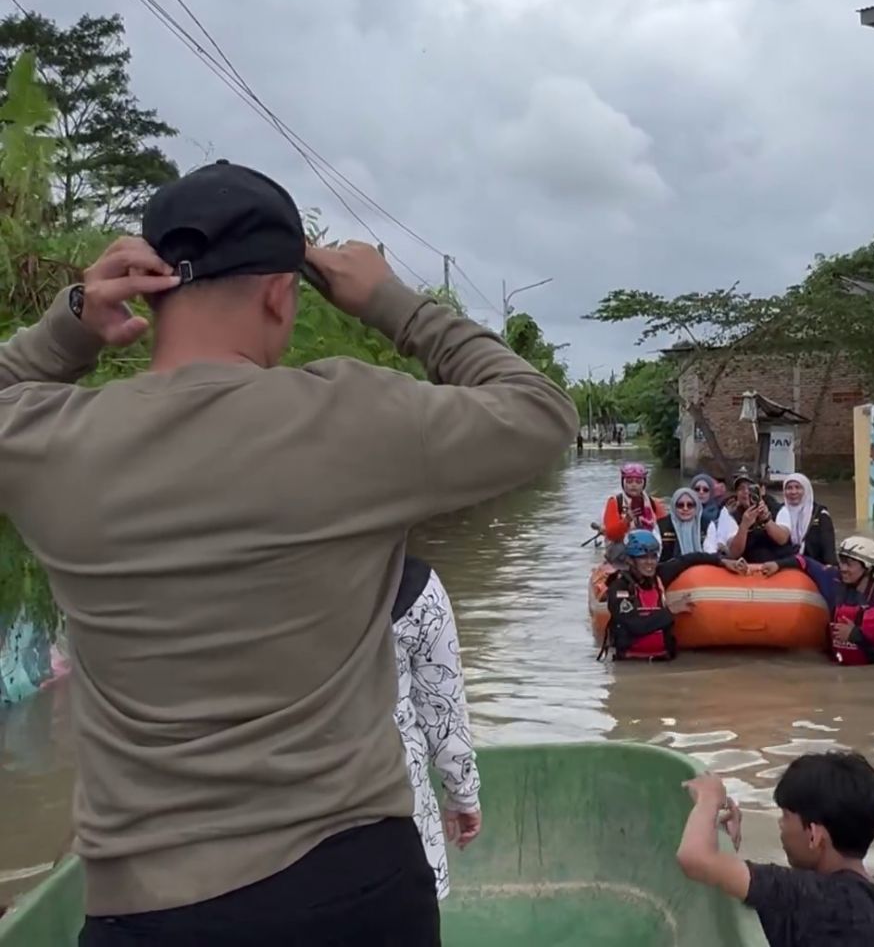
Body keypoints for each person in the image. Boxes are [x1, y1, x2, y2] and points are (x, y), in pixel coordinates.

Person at [0, 161, 578, 946]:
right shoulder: (354, 419)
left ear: (149, 290)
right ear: (281, 294)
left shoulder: (48, 442)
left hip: (148, 907)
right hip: (354, 887)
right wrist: (393, 303)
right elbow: (541, 413)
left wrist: (67, 326)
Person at [676, 752, 874, 946]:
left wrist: (710, 797)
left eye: (786, 816)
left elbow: (694, 858)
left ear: (814, 835)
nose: (780, 825)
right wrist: (727, 852)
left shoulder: (804, 898)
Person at [390, 557, 481, 900]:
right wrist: (463, 793)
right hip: (396, 801)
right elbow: (443, 711)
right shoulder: (415, 585)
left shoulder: (246, 579)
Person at [756, 536, 874, 666]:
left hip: (872, 672)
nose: (843, 568)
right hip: (839, 665)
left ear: (868, 569)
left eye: (849, 564)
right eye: (842, 562)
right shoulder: (834, 579)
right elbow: (806, 562)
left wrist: (855, 635)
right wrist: (778, 564)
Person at [599, 530, 743, 661]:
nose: (650, 562)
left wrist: (721, 561)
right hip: (631, 663)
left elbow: (689, 559)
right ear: (630, 560)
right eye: (643, 557)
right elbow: (635, 626)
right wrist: (670, 611)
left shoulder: (660, 575)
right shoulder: (618, 587)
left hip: (663, 660)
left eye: (653, 556)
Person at [716, 470, 795, 563]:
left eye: (751, 488)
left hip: (778, 563)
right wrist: (744, 526)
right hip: (747, 566)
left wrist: (766, 520)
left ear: (762, 490)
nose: (746, 492)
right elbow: (734, 553)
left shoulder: (778, 509)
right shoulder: (731, 513)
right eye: (741, 489)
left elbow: (782, 539)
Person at [775, 473, 837, 565]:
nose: (793, 492)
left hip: (814, 565)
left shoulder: (820, 515)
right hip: (783, 565)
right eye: (789, 488)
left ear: (806, 490)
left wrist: (831, 567)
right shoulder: (777, 512)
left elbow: (828, 547)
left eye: (798, 487)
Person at [601, 462, 668, 546]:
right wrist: (626, 521)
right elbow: (611, 535)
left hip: (649, 547)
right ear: (623, 482)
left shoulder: (654, 503)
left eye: (638, 482)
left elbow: (665, 530)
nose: (634, 485)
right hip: (621, 548)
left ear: (644, 483)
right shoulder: (614, 502)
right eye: (629, 481)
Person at [659, 486, 719, 559]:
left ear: (696, 506)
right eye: (680, 505)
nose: (685, 508)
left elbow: (711, 551)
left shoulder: (707, 524)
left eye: (690, 505)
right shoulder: (661, 526)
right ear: (674, 506)